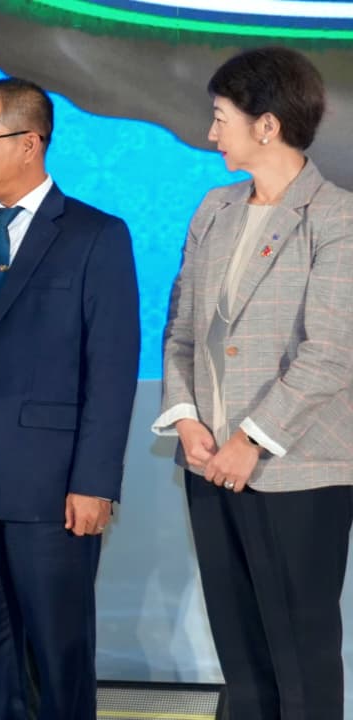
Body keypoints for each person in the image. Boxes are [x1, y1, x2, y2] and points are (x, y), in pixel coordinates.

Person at [0, 78, 140, 719]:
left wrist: (95, 482)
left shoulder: (96, 234)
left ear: (31, 142)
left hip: (53, 490)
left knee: (59, 657)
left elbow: (112, 370)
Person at [152, 47, 353, 719]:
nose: (211, 132)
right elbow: (180, 330)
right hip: (209, 461)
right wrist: (186, 418)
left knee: (301, 653)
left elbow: (330, 353)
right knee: (240, 652)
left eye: (220, 117)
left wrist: (250, 441)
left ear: (267, 125)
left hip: (299, 469)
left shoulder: (337, 218)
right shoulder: (214, 208)